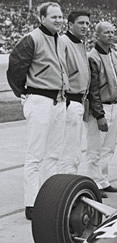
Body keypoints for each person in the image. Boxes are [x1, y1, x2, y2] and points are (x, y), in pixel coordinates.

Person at [6, 2, 68, 220]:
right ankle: (31, 203)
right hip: (40, 99)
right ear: (42, 18)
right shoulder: (32, 38)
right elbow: (15, 66)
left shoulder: (60, 40)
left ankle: (49, 199)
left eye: (61, 17)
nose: (59, 21)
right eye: (54, 17)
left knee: (53, 155)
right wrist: (22, 91)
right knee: (35, 155)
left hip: (59, 101)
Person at [86, 21, 117, 198]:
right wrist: (99, 115)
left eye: (112, 32)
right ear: (97, 35)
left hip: (113, 106)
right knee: (95, 149)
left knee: (109, 147)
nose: (110, 35)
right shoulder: (92, 57)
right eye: (106, 33)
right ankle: (94, 182)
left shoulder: (114, 55)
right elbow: (92, 89)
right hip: (100, 108)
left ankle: (103, 180)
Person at [57, 10, 91, 174]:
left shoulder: (80, 42)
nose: (85, 26)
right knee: (68, 149)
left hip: (79, 100)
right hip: (69, 100)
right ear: (70, 25)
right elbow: (59, 70)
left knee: (75, 148)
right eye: (81, 23)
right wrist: (66, 99)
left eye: (87, 23)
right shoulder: (63, 41)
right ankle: (64, 186)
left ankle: (68, 180)